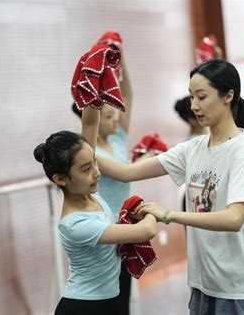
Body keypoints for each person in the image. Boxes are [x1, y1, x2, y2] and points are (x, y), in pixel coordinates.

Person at [96, 59, 244, 314]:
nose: (194, 106)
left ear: (228, 96)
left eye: (201, 97)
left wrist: (168, 215)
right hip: (205, 286)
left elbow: (234, 218)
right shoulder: (193, 149)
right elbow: (126, 172)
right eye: (192, 97)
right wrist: (77, 152)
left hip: (241, 290)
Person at [34, 103, 157, 315]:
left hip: (107, 302)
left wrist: (95, 89)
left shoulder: (92, 194)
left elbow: (91, 122)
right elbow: (147, 231)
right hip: (84, 307)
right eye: (86, 169)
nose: (97, 173)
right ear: (60, 179)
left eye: (95, 163)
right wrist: (151, 211)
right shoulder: (75, 224)